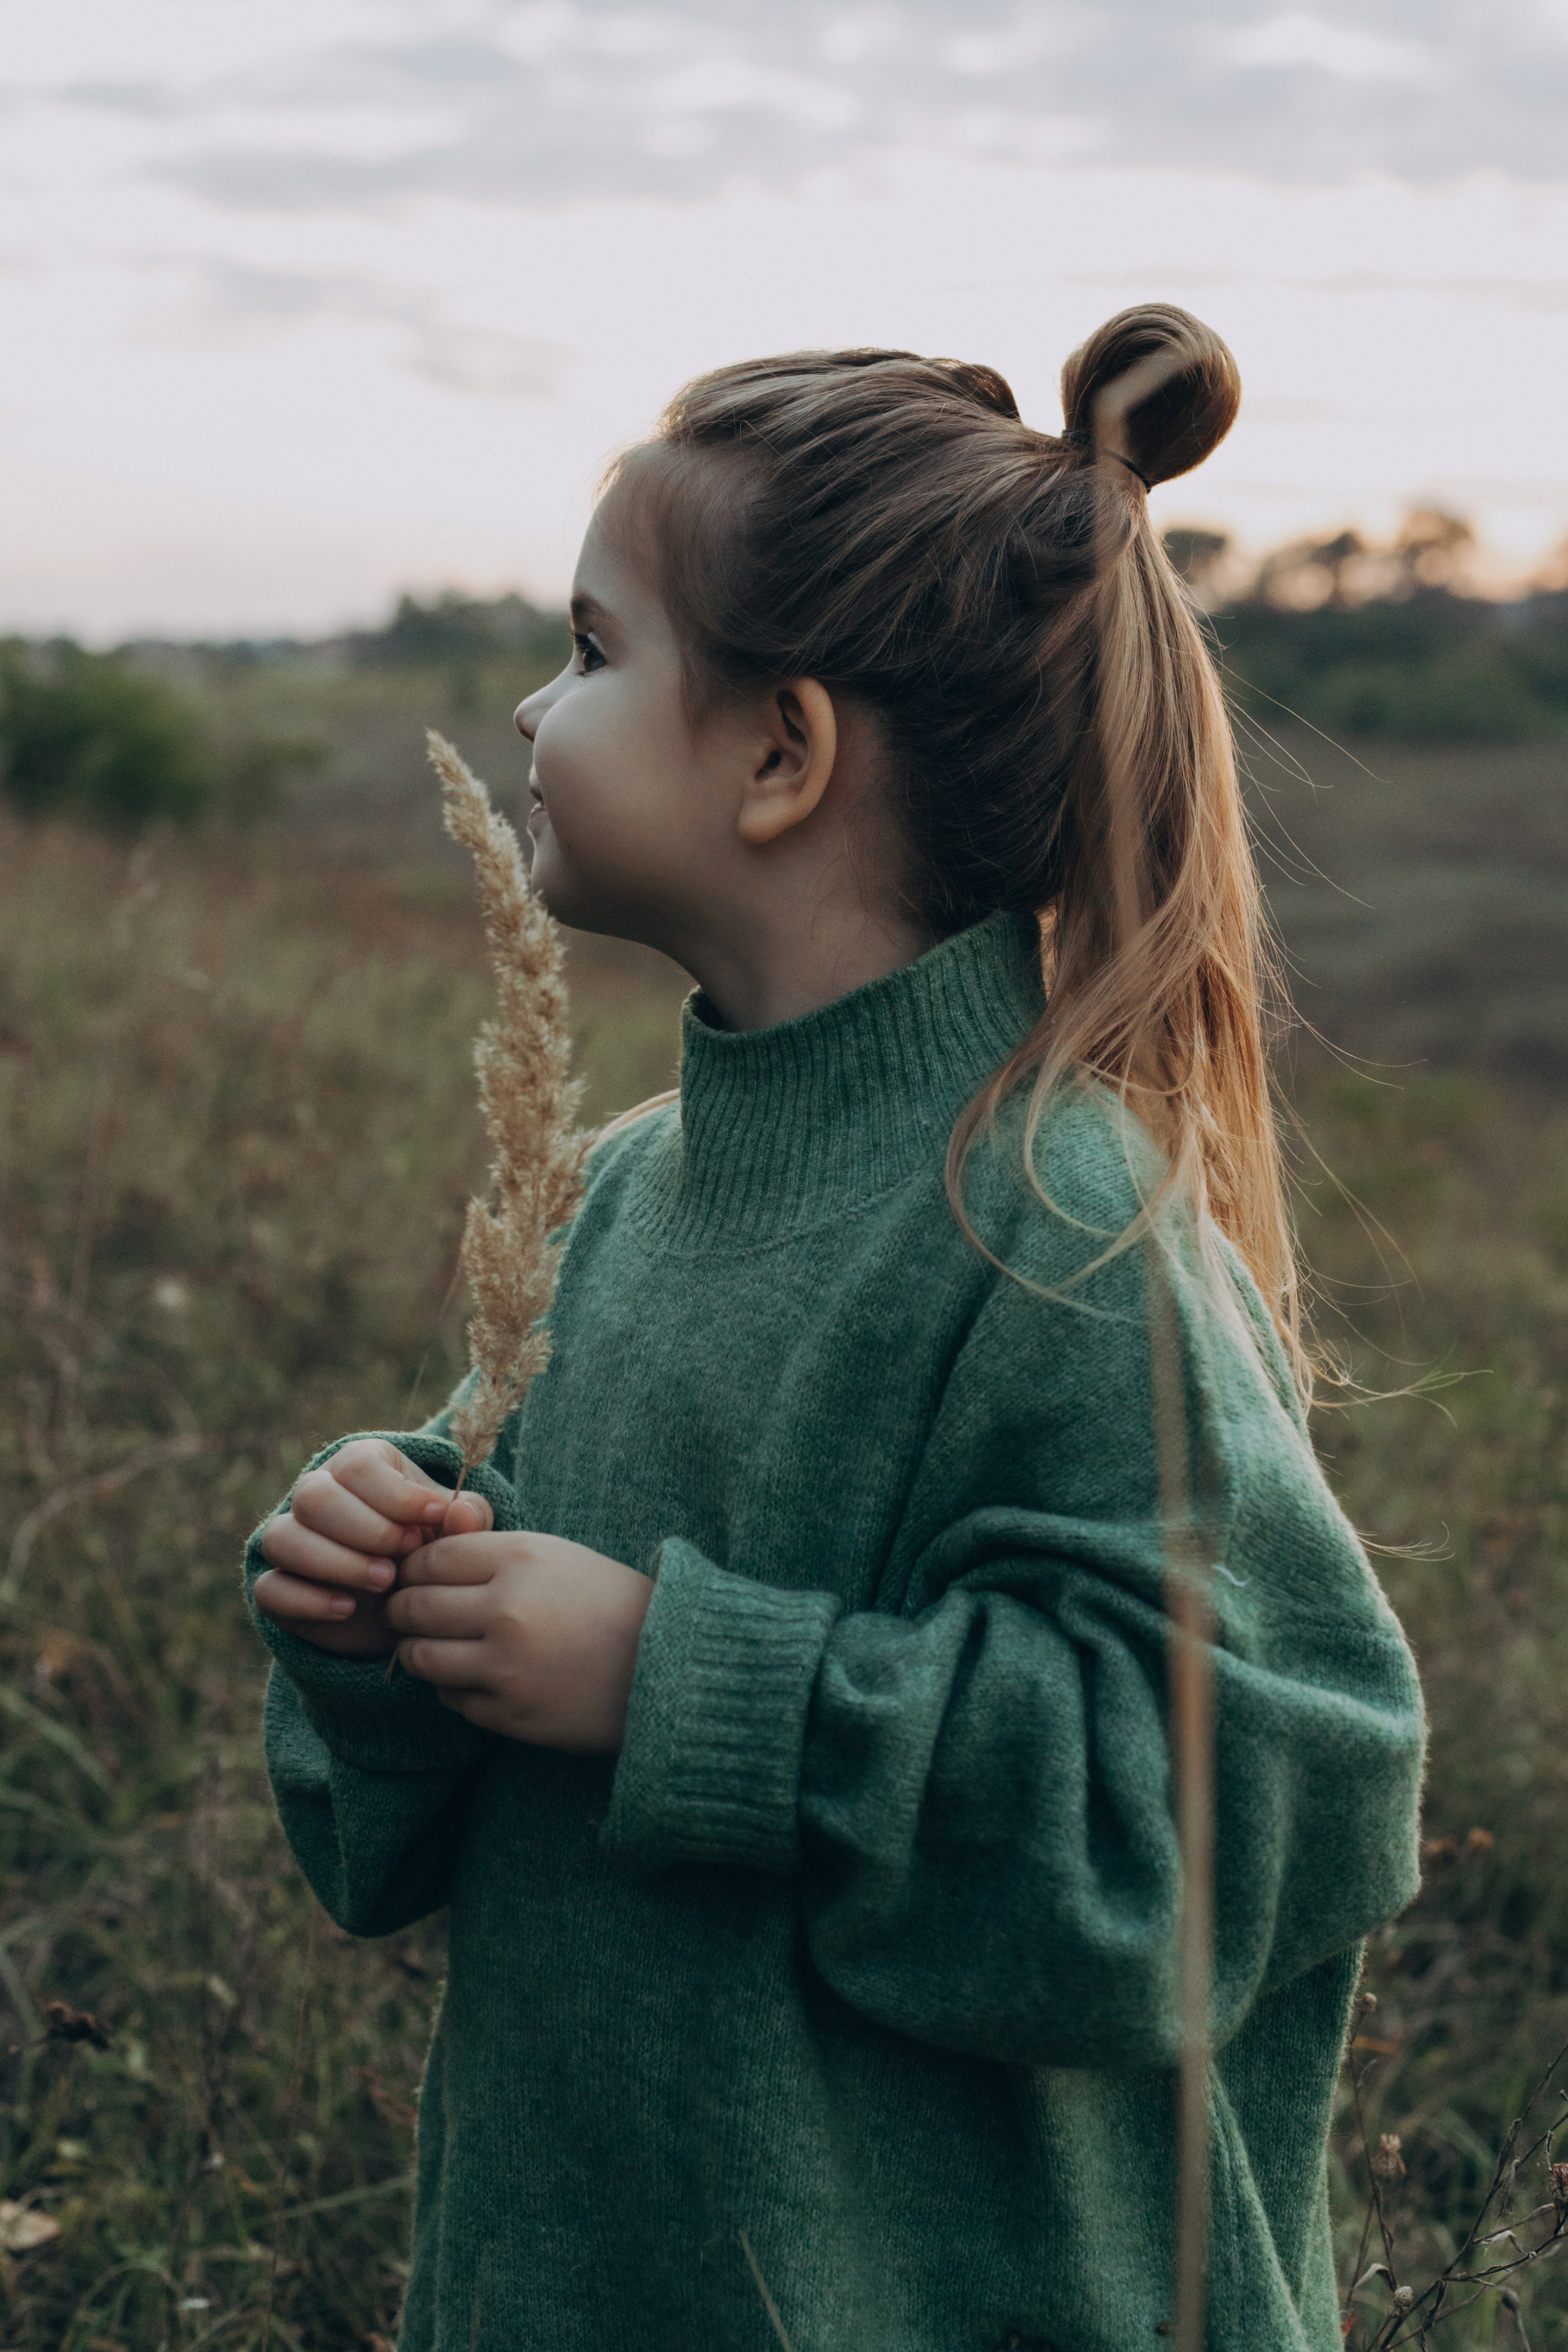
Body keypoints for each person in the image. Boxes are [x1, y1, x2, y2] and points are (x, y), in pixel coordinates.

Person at [248, 305, 1424, 2352]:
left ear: (785, 755)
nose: (534, 706)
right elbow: (403, 1838)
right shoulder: (622, 1192)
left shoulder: (1065, 1229)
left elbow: (1263, 1811)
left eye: (598, 650)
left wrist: (687, 1685)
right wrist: (384, 1603)